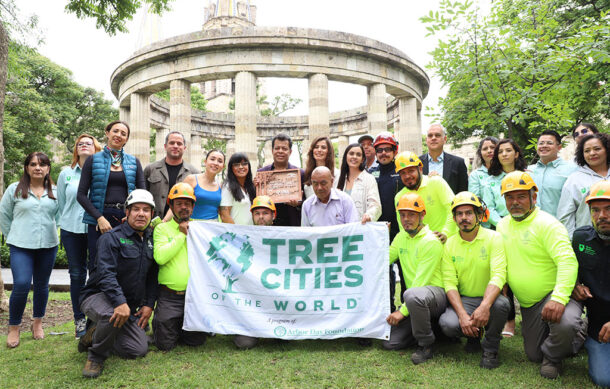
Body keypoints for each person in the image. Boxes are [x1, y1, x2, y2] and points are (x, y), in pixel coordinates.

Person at [496, 171, 586, 379]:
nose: (515, 202)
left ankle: (558, 354)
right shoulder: (502, 225)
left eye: (521, 196)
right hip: (529, 304)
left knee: (566, 324)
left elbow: (567, 261)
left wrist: (558, 298)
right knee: (534, 354)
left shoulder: (548, 224)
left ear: (533, 197)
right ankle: (566, 337)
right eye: (509, 197)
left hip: (554, 294)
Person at [78, 189, 158, 378]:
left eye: (146, 210)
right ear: (127, 212)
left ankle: (94, 334)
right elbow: (106, 275)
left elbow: (153, 276)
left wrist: (148, 304)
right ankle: (96, 356)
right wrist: (119, 302)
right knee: (110, 314)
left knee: (138, 349)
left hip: (128, 307)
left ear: (152, 214)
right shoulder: (111, 238)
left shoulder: (152, 239)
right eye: (136, 209)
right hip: (97, 296)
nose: (141, 213)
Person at [438, 192, 509, 369]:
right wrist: (462, 315)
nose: (464, 218)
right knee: (448, 324)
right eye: (459, 214)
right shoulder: (449, 244)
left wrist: (485, 306)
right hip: (465, 300)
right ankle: (473, 336)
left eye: (469, 213)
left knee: (502, 305)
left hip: (489, 298)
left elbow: (499, 274)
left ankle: (491, 347)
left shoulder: (494, 238)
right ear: (454, 218)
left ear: (479, 216)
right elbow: (449, 282)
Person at [0, 152, 59, 348]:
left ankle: (37, 323)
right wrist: (13, 236)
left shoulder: (55, 192)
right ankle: (14, 327)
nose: (37, 168)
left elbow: (60, 216)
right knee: (22, 284)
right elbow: (4, 215)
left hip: (48, 245)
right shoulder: (14, 190)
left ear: (48, 168)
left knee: (42, 285)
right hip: (20, 246)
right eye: (33, 164)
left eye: (42, 164)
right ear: (27, 168)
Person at [382, 193, 447, 365]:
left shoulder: (431, 241)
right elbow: (383, 260)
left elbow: (421, 281)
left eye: (411, 214)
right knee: (390, 343)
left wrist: (401, 312)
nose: (406, 219)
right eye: (402, 215)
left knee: (412, 294)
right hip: (415, 299)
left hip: (436, 295)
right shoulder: (400, 236)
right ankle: (431, 329)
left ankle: (426, 344)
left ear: (422, 215)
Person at [77, 120, 146, 272]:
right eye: (115, 131)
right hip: (99, 220)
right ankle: (96, 296)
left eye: (123, 133)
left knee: (125, 264)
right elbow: (81, 195)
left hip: (126, 219)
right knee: (97, 264)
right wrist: (99, 218)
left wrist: (131, 217)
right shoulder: (93, 160)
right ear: (107, 133)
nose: (118, 135)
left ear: (127, 139)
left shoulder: (134, 162)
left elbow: (142, 195)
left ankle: (122, 296)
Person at [152, 183, 207, 351]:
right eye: (179, 203)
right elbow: (160, 258)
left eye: (188, 203)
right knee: (165, 345)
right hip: (169, 297)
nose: (184, 207)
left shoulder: (201, 228)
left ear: (193, 206)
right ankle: (169, 326)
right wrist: (182, 235)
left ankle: (181, 326)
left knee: (196, 341)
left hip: (194, 296)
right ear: (171, 205)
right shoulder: (162, 228)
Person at [57, 134, 102, 338]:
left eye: (89, 143)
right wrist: (63, 224)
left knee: (96, 273)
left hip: (95, 229)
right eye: (80, 143)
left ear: (96, 148)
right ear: (76, 149)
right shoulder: (66, 173)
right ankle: (79, 320)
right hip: (71, 230)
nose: (84, 145)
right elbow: (61, 203)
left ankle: (94, 318)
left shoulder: (101, 173)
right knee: (76, 275)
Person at [571, 180, 610, 387]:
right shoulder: (580, 239)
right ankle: (585, 335)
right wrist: (575, 284)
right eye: (596, 210)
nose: (602, 216)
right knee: (605, 380)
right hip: (598, 328)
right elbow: (567, 267)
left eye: (608, 209)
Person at [232, 195, 278, 350]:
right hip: (251, 301)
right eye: (257, 213)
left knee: (282, 338)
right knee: (244, 344)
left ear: (273, 215)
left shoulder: (285, 236)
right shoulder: (242, 238)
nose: (261, 217)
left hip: (276, 300)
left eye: (265, 213)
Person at [368, 132, 405, 312]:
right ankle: (388, 309)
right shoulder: (370, 173)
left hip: (402, 231)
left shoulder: (402, 171)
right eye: (380, 150)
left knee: (405, 272)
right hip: (379, 232)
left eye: (387, 149)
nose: (383, 153)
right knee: (384, 274)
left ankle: (408, 310)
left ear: (394, 150)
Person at [394, 151, 456, 243]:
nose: (407, 176)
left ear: (420, 169)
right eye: (403, 173)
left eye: (411, 171)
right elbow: (403, 229)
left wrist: (445, 233)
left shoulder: (436, 182)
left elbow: (453, 209)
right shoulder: (399, 197)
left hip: (446, 243)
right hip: (421, 248)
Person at [558, 133, 610, 238]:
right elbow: (565, 216)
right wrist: (573, 242)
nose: (592, 153)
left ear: (607, 150)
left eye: (597, 149)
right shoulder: (574, 180)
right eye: (587, 151)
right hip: (588, 243)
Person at [144, 131, 200, 220]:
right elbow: (143, 196)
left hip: (181, 225)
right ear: (165, 146)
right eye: (172, 143)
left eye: (179, 144)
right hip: (154, 223)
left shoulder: (194, 173)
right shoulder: (150, 169)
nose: (175, 146)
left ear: (184, 148)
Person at [257, 133, 305, 226]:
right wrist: (256, 186)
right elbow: (256, 201)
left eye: (284, 148)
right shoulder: (261, 173)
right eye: (277, 148)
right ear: (272, 150)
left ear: (290, 152)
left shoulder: (301, 174)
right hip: (268, 226)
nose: (280, 151)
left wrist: (298, 204)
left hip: (293, 225)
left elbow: (308, 203)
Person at [528, 130, 577, 218]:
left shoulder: (572, 169)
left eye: (549, 143)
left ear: (559, 147)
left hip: (560, 225)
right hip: (533, 226)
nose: (544, 146)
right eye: (541, 143)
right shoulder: (529, 170)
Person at [482, 138, 528, 228]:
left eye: (508, 150)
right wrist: (503, 224)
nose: (504, 154)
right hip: (500, 226)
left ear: (516, 154)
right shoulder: (490, 181)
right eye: (500, 152)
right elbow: (488, 207)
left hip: (526, 224)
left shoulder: (527, 177)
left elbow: (535, 203)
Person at [336, 143, 382, 223]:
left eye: (358, 155)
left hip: (360, 228)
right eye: (351, 154)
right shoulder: (338, 178)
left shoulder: (369, 179)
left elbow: (375, 206)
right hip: (341, 229)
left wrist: (369, 216)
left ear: (363, 159)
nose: (354, 157)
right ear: (346, 156)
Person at [177, 149, 225, 221]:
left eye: (220, 161)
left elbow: (222, 212)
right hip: (193, 225)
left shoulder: (221, 186)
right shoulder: (191, 179)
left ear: (223, 166)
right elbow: (176, 202)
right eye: (212, 159)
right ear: (205, 162)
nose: (216, 163)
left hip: (214, 226)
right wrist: (165, 220)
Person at [420, 124, 468, 194]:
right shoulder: (417, 163)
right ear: (426, 140)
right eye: (430, 136)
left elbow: (463, 193)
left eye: (437, 135)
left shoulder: (458, 163)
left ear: (445, 139)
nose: (433, 138)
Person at [219, 153, 256, 225]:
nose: (241, 167)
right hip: (237, 233)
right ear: (231, 168)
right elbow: (224, 216)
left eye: (244, 164)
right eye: (236, 165)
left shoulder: (250, 187)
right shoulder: (228, 187)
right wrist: (236, 233)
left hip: (251, 233)